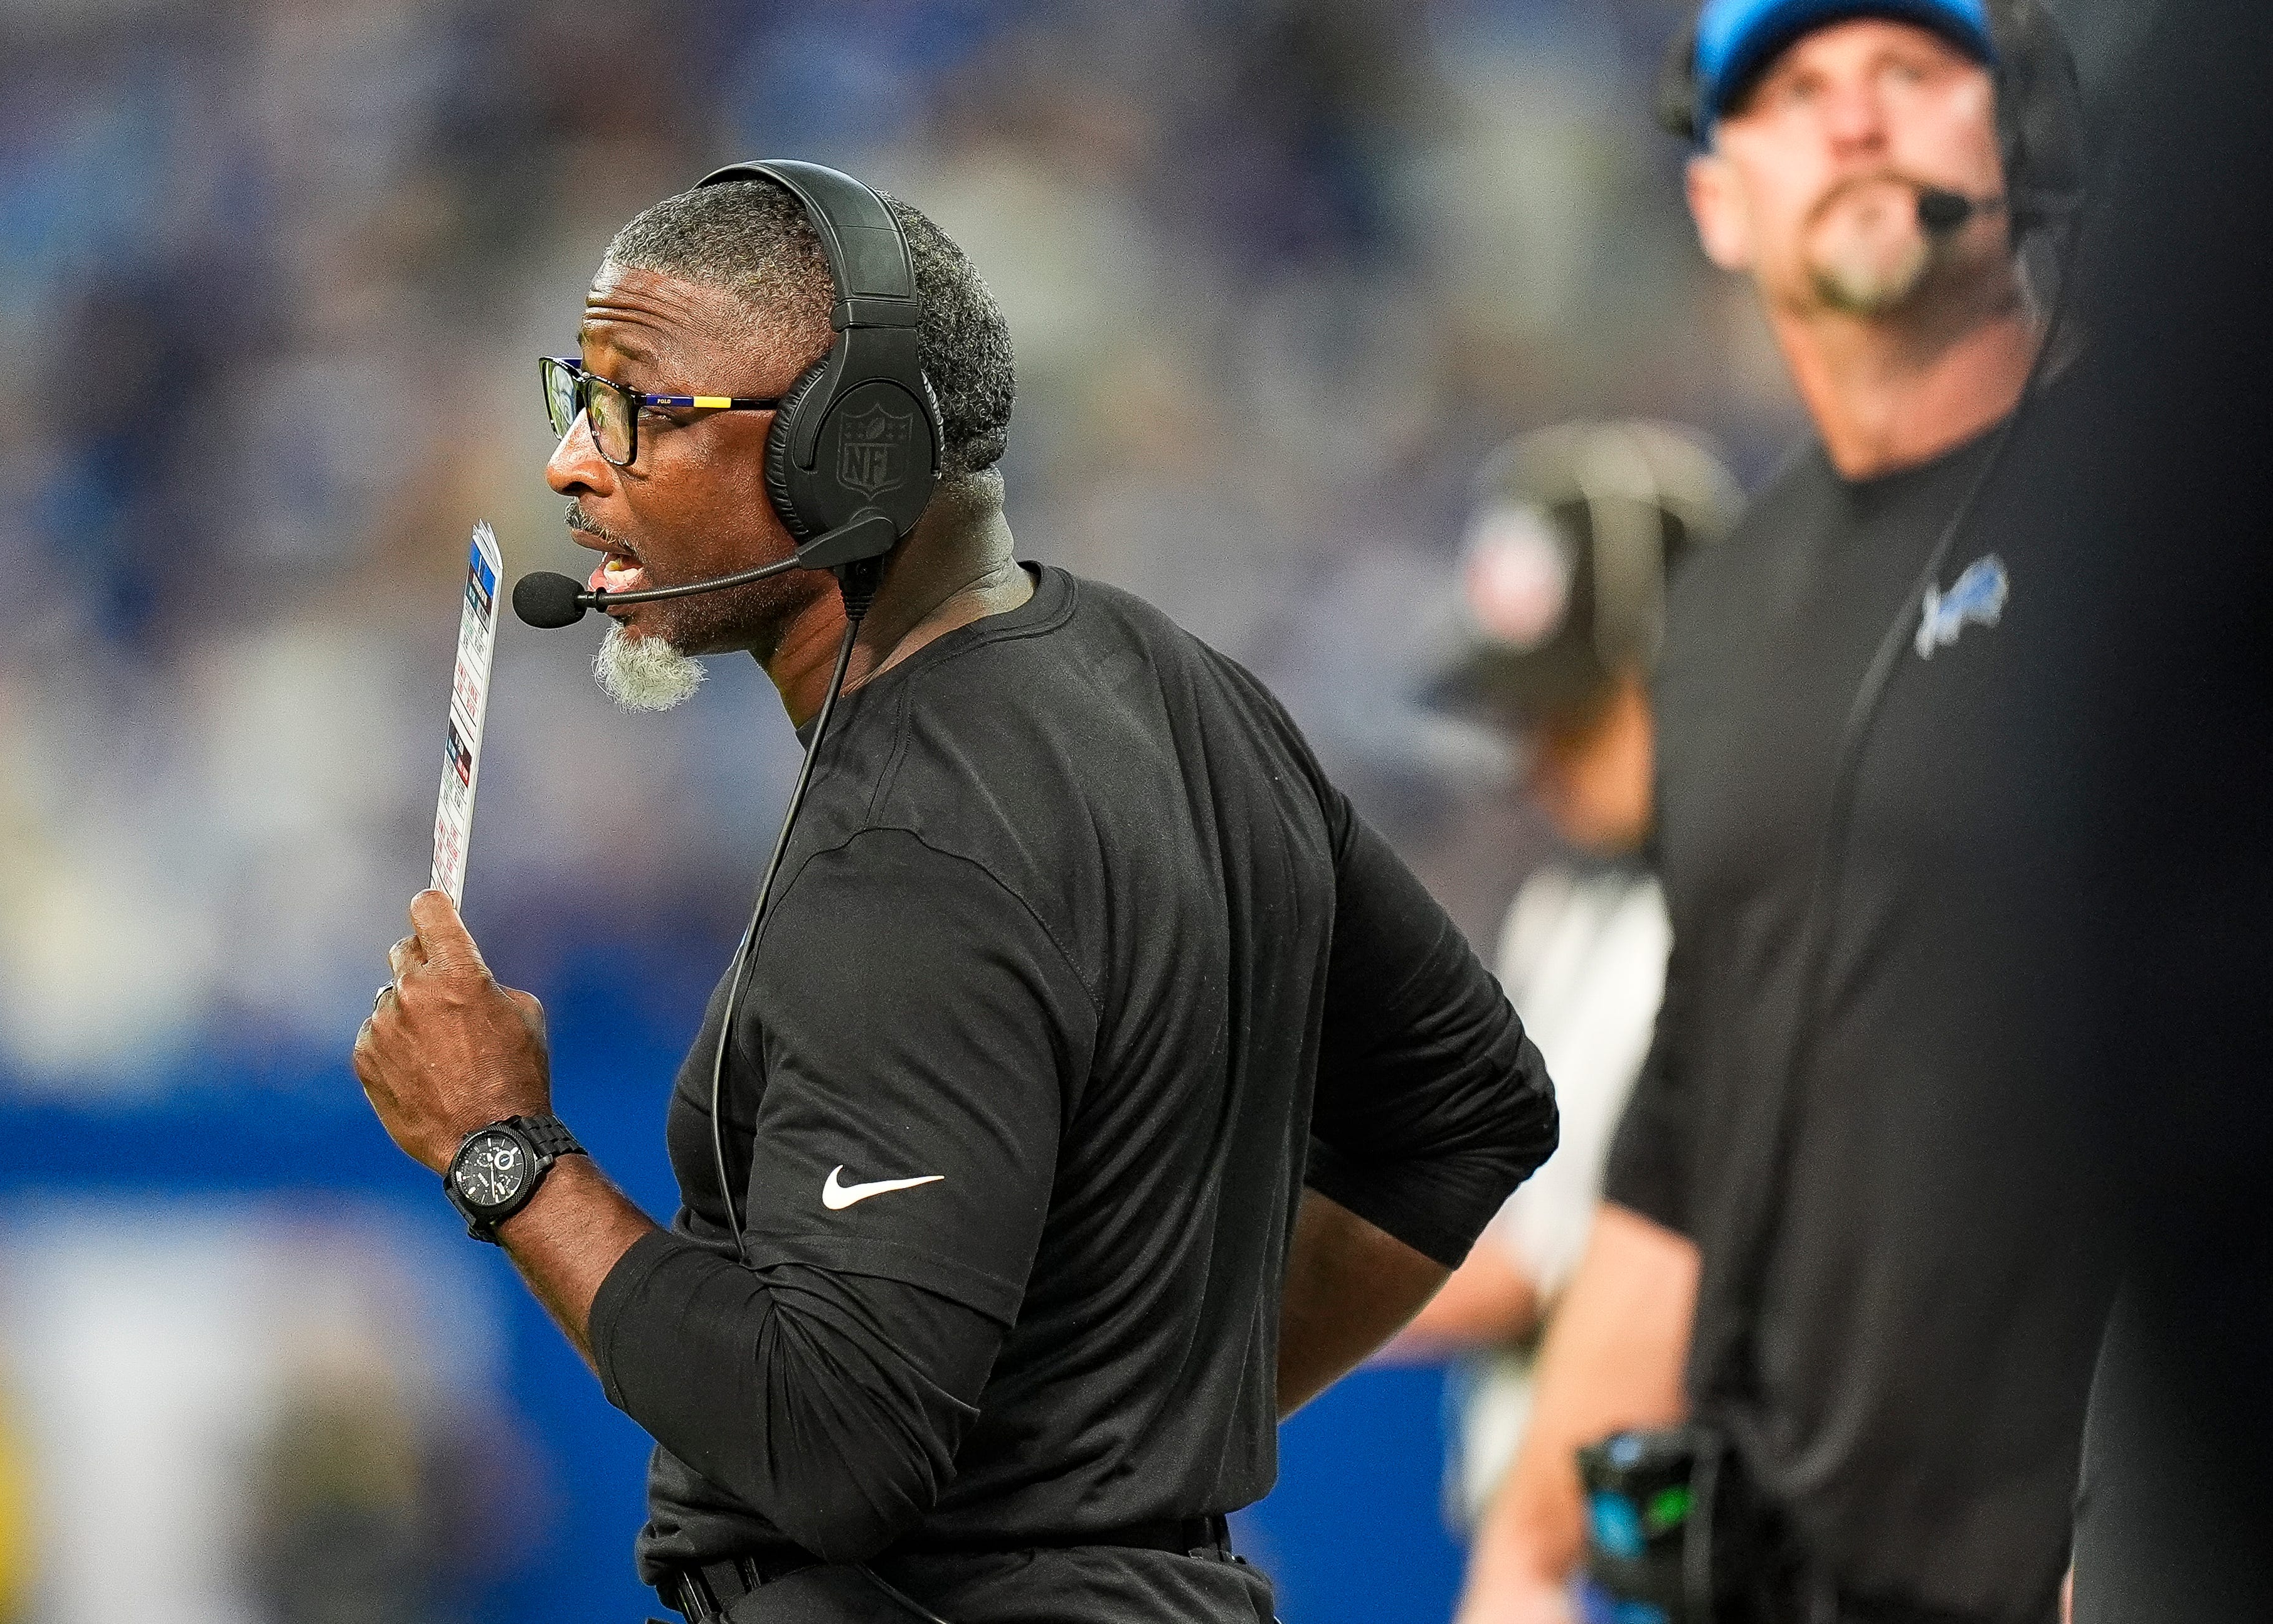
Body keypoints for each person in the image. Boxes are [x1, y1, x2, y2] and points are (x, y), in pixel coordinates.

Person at [350, 163, 1558, 1624]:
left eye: (636, 405)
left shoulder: (912, 850)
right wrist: (1115, 1460)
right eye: (576, 393)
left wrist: (503, 1150)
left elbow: (833, 1446)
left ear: (844, 453)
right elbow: (1468, 1107)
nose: (568, 460)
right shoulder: (1177, 682)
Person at [1460, 4, 2114, 1623]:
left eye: (1910, 72)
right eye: (1797, 91)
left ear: (2017, 134)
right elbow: (1687, 1128)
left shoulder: (2162, 515)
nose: (1857, 121)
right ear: (1717, 199)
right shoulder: (1730, 617)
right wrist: (1530, 1551)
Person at [1380, 423, 1739, 1545]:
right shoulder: (1565, 907)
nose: (1535, 756)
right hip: (1565, 1529)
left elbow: (1535, 1264)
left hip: (1671, 1522)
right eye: (1523, 715)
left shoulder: (1750, 920)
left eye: (1574, 712)